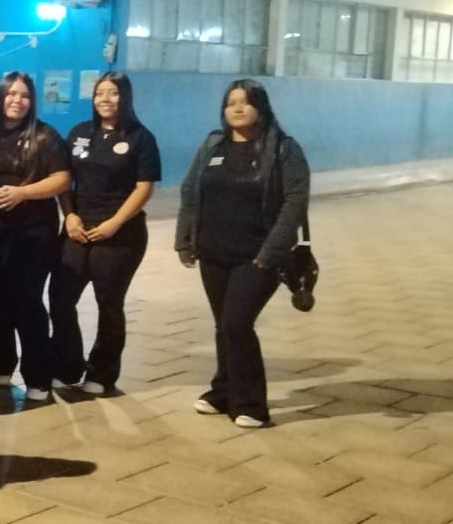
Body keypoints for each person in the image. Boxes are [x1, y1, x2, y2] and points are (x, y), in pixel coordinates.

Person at [175, 79, 310, 428]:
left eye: (245, 102)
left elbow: (295, 202)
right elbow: (190, 191)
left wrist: (271, 251)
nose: (237, 108)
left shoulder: (283, 149)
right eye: (230, 102)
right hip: (213, 254)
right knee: (224, 325)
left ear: (260, 109)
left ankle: (251, 404)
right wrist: (185, 240)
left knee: (237, 323)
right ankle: (223, 391)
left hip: (258, 257)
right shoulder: (212, 145)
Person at [49, 72, 162, 396]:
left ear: (124, 97)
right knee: (60, 297)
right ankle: (67, 366)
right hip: (78, 228)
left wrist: (116, 222)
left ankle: (102, 373)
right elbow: (64, 179)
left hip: (120, 235)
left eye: (113, 93)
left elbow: (144, 188)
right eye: (100, 93)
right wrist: (68, 214)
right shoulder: (80, 133)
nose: (105, 99)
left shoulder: (141, 138)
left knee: (108, 303)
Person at [0, 71, 71, 402]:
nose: (17, 100)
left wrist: (23, 193)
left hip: (33, 235)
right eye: (11, 94)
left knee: (27, 301)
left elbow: (62, 180)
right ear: (0, 97)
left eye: (24, 95)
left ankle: (38, 377)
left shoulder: (45, 136)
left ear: (32, 100)